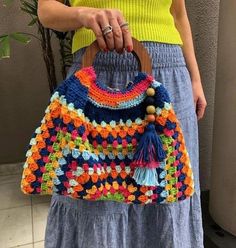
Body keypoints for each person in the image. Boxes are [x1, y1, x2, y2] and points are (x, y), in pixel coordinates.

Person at [38, 0, 207, 247]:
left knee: (168, 194)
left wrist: (195, 79)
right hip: (95, 73)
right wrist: (84, 14)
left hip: (170, 77)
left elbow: (178, 13)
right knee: (93, 199)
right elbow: (46, 11)